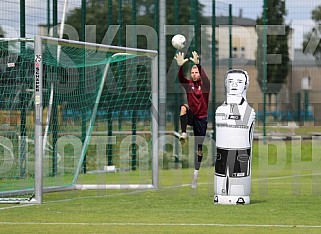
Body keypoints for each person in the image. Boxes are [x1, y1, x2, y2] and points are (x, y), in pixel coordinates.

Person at [174, 51, 210, 188]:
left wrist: (198, 64)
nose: (194, 74)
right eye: (193, 72)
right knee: (183, 107)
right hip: (192, 116)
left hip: (201, 119)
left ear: (199, 74)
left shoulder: (205, 86)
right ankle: (183, 133)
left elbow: (206, 79)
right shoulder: (189, 85)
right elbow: (181, 79)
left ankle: (195, 175)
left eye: (196, 72)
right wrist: (180, 66)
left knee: (199, 149)